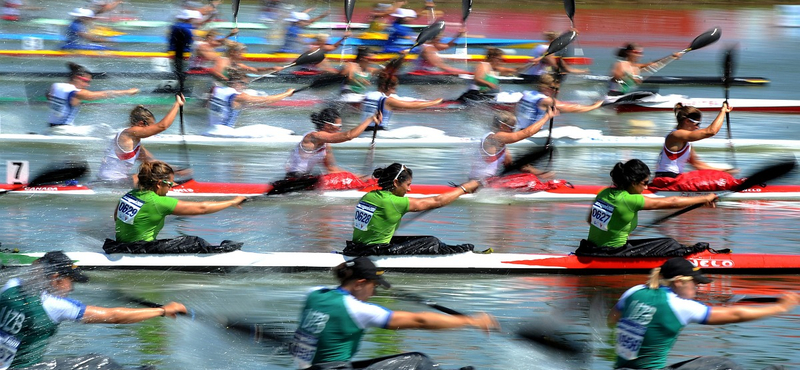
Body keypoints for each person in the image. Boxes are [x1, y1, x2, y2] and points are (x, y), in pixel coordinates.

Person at [290, 256, 499, 369]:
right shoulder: (358, 309)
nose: (374, 292)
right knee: (419, 360)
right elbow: (421, 320)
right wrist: (470, 321)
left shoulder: (314, 294)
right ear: (360, 283)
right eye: (374, 286)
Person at [0, 250, 187, 369]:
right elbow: (114, 316)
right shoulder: (54, 305)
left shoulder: (11, 285)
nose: (71, 288)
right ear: (56, 278)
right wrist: (162, 311)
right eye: (70, 281)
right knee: (99, 362)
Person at [609, 257, 799, 370]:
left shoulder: (634, 291)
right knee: (722, 364)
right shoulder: (681, 306)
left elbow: (612, 321)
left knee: (705, 362)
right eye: (695, 283)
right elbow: (736, 315)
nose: (698, 287)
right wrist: (780, 308)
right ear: (678, 282)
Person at [576, 159, 720, 258]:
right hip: (613, 253)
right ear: (633, 182)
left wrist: (615, 228)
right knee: (670, 244)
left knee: (665, 242)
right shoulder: (631, 200)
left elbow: (590, 220)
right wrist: (705, 198)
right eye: (644, 183)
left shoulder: (604, 192)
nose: (646, 187)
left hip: (591, 248)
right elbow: (673, 202)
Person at [103, 160, 247, 254]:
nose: (171, 188)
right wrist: (232, 202)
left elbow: (117, 218)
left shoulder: (129, 195)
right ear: (159, 184)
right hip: (139, 249)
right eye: (170, 184)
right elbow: (202, 208)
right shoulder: (158, 202)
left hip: (120, 246)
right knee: (195, 242)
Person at [343, 163, 482, 256]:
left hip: (356, 247)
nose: (409, 189)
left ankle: (461, 250)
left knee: (421, 240)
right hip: (372, 252)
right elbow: (437, 201)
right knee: (431, 241)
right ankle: (465, 252)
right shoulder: (393, 201)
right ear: (396, 183)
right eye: (408, 185)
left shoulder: (369, 196)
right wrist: (464, 189)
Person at [96, 94, 185, 185]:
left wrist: (176, 170)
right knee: (152, 178)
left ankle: (177, 186)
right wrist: (177, 104)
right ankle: (178, 188)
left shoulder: (134, 143)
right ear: (141, 124)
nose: (152, 131)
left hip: (116, 180)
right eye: (150, 127)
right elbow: (162, 126)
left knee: (156, 174)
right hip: (109, 182)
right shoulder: (128, 133)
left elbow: (152, 162)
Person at [651, 103, 738, 190]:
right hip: (666, 180)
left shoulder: (686, 141)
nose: (697, 127)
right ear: (687, 121)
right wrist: (723, 111)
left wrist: (723, 171)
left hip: (674, 179)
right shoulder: (675, 135)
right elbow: (711, 131)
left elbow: (697, 164)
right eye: (697, 124)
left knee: (718, 177)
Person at [47, 62, 139, 136]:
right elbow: (103, 94)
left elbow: (49, 95)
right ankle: (131, 134)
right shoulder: (77, 93)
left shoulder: (55, 86)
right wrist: (127, 92)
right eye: (86, 81)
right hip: (64, 132)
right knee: (102, 128)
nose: (88, 85)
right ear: (76, 78)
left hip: (51, 130)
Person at [285, 108, 381, 178]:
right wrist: (369, 119)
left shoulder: (325, 144)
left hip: (306, 178)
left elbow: (332, 170)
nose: (340, 129)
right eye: (338, 126)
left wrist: (360, 177)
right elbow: (348, 136)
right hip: (293, 179)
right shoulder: (313, 137)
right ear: (327, 125)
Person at [469, 110, 558, 182]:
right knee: (528, 180)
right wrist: (546, 117)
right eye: (512, 128)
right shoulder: (495, 137)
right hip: (479, 183)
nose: (513, 131)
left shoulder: (501, 146)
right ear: (502, 126)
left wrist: (541, 174)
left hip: (488, 182)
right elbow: (527, 133)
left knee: (528, 177)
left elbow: (514, 166)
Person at [205, 68, 295, 137]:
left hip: (210, 131)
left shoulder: (216, 90)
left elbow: (210, 105)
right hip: (225, 134)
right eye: (244, 84)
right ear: (236, 82)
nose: (245, 87)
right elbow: (267, 100)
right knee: (263, 128)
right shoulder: (239, 97)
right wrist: (286, 94)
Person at [358, 71, 443, 131]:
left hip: (363, 131)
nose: (394, 91)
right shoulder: (388, 100)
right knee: (420, 131)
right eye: (393, 88)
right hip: (378, 134)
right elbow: (412, 106)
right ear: (384, 86)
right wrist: (434, 102)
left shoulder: (368, 95)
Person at [515, 73, 602, 130]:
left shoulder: (527, 94)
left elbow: (561, 104)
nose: (557, 91)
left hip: (520, 130)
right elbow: (572, 109)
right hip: (530, 134)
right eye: (554, 88)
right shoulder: (546, 100)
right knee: (572, 129)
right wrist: (594, 106)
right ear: (544, 87)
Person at [457, 47, 528, 103]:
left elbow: (515, 70)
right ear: (493, 58)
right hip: (473, 95)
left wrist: (530, 64)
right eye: (500, 59)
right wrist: (489, 84)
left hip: (486, 96)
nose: (501, 62)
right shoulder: (483, 65)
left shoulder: (496, 69)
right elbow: (477, 79)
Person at [608, 43, 679, 96]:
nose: (639, 55)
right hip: (615, 94)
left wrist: (671, 57)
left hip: (627, 95)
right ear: (628, 52)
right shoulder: (620, 64)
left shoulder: (636, 67)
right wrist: (629, 81)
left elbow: (655, 64)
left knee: (653, 90)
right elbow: (616, 78)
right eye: (636, 52)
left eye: (641, 53)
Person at [519, 30, 588, 84]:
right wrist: (583, 72)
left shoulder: (539, 46)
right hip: (537, 78)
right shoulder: (547, 50)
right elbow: (557, 67)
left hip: (530, 75)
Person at [211, 42, 284, 81]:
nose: (242, 55)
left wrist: (272, 68)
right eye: (240, 52)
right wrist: (228, 80)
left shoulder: (238, 65)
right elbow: (215, 72)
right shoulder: (223, 60)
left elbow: (255, 70)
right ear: (233, 52)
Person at [169, 9, 202, 86]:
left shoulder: (175, 26)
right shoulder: (187, 27)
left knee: (178, 69)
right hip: (184, 53)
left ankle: (179, 80)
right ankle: (182, 84)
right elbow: (192, 38)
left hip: (174, 52)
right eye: (195, 19)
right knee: (183, 71)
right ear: (190, 19)